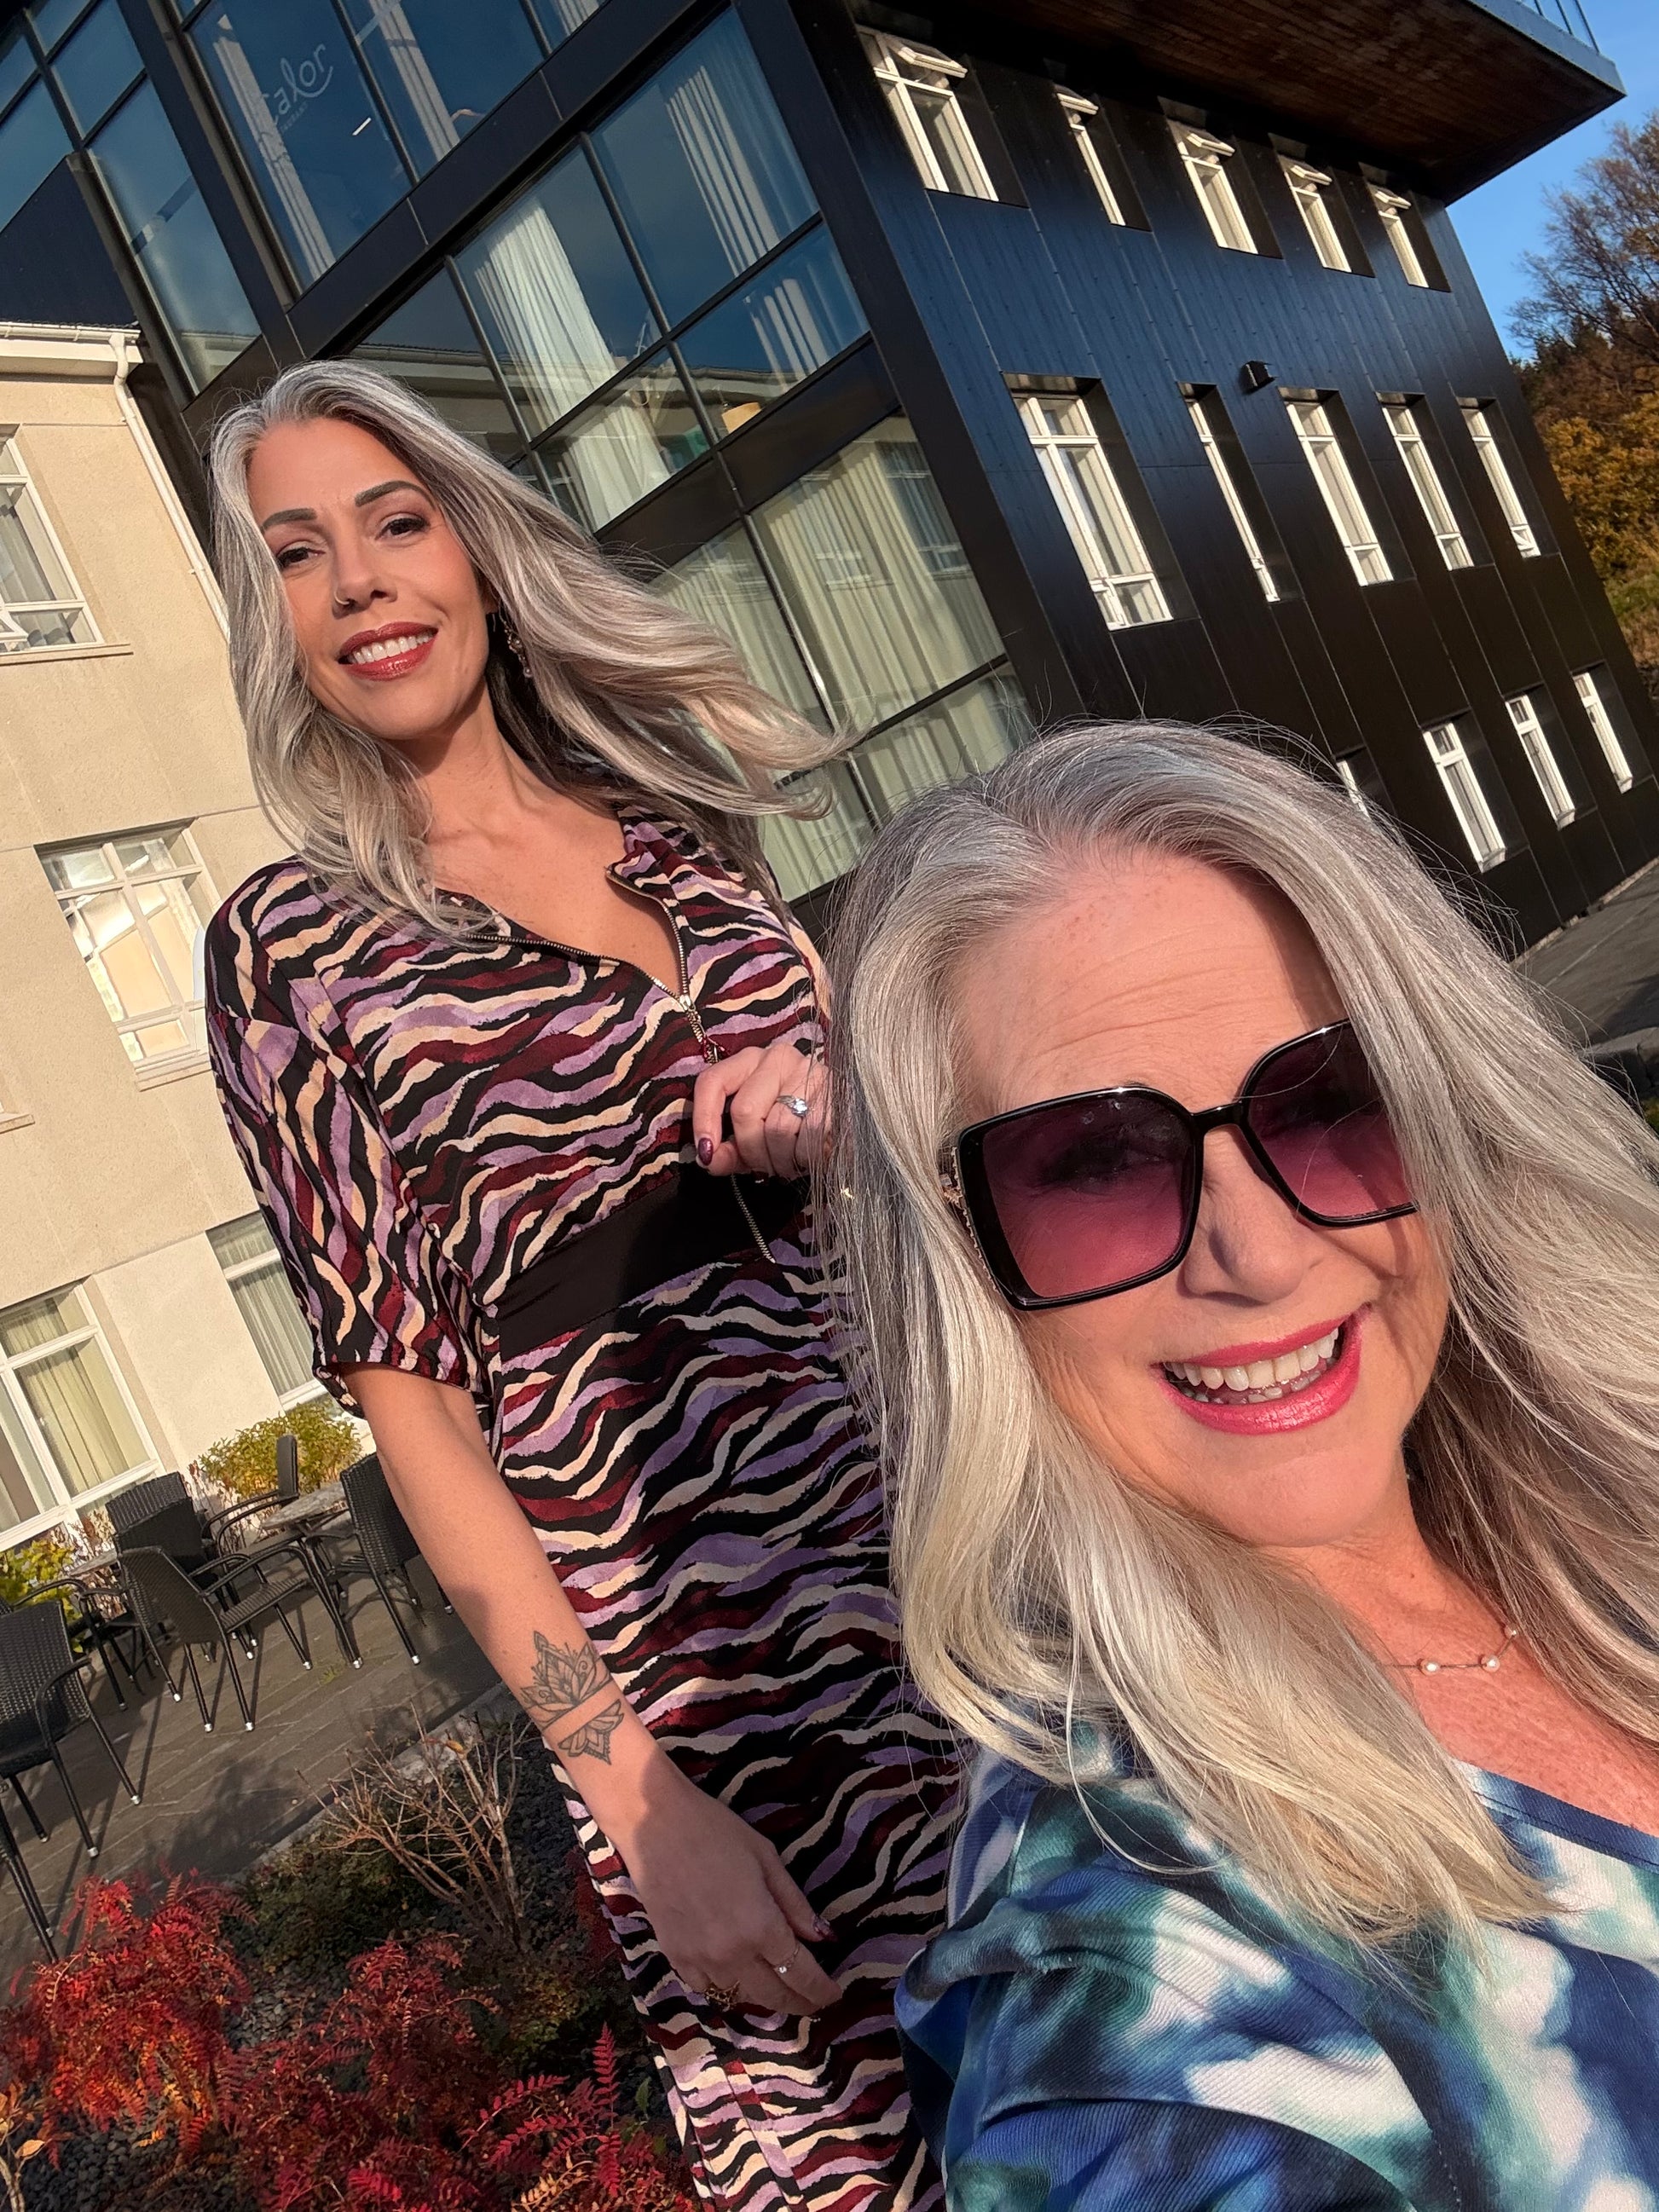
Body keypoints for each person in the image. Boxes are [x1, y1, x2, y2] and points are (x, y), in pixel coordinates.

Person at [201, 361, 954, 2210]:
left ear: (475, 546)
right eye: (295, 552)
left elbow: (900, 1163)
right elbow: (413, 1411)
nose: (360, 580)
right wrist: (635, 1801)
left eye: (395, 520)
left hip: (960, 1544)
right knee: (872, 2154)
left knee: (1163, 2090)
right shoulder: (288, 946)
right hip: (711, 1674)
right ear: (269, 618)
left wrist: (831, 1117)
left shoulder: (674, 828)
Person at [823, 719, 1659, 2210]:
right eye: (1091, 1164)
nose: (1258, 1254)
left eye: (1329, 1101)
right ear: (959, 1266)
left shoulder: (1591, 1514)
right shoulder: (1135, 1987)